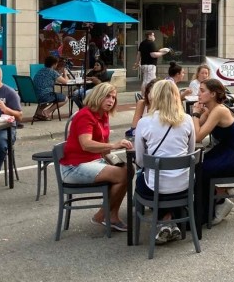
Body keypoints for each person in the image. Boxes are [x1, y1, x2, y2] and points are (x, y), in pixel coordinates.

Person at [59, 82, 133, 230]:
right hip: (74, 167)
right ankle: (101, 215)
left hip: (93, 162)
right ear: (98, 96)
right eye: (107, 96)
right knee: (123, 174)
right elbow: (86, 144)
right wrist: (114, 145)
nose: (111, 101)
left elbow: (103, 146)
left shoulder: (103, 115)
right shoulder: (85, 115)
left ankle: (112, 216)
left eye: (113, 98)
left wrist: (115, 162)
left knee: (128, 170)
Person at [134, 79, 197, 245]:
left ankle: (163, 222)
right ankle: (168, 221)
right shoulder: (188, 120)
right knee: (169, 182)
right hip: (184, 185)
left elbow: (140, 161)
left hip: (155, 187)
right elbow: (190, 153)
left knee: (143, 179)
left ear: (154, 97)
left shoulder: (144, 122)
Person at [193, 78, 234, 225]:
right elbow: (193, 130)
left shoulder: (219, 110)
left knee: (199, 169)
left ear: (213, 94)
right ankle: (218, 197)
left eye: (202, 91)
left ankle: (214, 204)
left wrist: (196, 114)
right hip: (226, 151)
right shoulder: (211, 109)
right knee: (196, 164)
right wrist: (199, 115)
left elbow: (198, 137)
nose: (198, 94)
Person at [33, 56, 69, 121]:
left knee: (50, 97)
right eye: (56, 63)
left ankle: (38, 114)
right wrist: (65, 74)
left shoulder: (40, 71)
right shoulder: (52, 72)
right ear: (54, 64)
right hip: (45, 96)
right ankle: (47, 112)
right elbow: (65, 82)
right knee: (65, 99)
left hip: (35, 95)